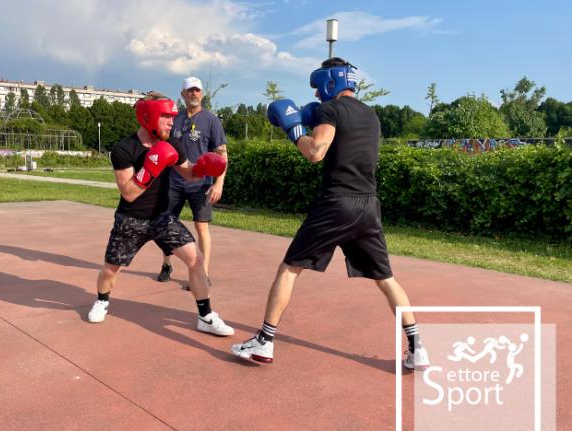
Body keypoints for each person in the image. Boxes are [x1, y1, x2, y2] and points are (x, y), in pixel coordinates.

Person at [230, 58, 429, 369]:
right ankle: (418, 348)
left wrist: (294, 128)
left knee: (289, 268)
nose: (317, 95)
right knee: (387, 279)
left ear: (329, 82)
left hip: (336, 203)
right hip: (368, 206)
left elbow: (316, 151)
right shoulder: (371, 115)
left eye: (317, 88)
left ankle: (265, 342)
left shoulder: (330, 110)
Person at [88, 91, 234, 337]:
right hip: (131, 219)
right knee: (111, 268)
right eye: (166, 117)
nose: (171, 122)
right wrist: (151, 166)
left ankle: (206, 316)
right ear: (149, 116)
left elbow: (188, 173)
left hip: (162, 218)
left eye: (172, 117)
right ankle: (102, 300)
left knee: (196, 260)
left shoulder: (172, 144)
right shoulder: (124, 149)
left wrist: (202, 168)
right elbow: (129, 193)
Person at [156, 77, 228, 287]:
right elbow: (163, 149)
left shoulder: (211, 120)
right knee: (167, 224)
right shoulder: (174, 119)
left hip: (201, 184)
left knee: (201, 227)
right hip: (174, 182)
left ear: (202, 94)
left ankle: (202, 273)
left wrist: (219, 183)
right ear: (183, 94)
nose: (194, 94)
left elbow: (222, 154)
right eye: (189, 91)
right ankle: (166, 264)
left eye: (197, 90)